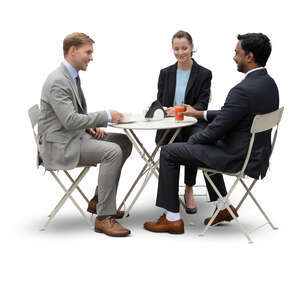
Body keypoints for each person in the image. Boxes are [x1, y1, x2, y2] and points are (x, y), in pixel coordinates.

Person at [144, 33, 279, 234]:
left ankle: (172, 218)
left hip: (234, 156)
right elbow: (232, 114)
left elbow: (216, 131)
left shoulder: (241, 90)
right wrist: (200, 114)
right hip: (256, 154)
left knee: (169, 152)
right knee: (197, 140)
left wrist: (192, 142)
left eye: (237, 52)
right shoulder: (269, 84)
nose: (234, 57)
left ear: (249, 57)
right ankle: (223, 207)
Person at [38, 32, 132, 237]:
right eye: (88, 52)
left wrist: (89, 126)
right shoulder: (58, 81)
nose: (91, 57)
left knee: (123, 142)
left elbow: (70, 116)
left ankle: (99, 201)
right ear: (73, 51)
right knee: (112, 152)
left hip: (72, 136)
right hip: (61, 146)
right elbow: (70, 120)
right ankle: (104, 217)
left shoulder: (70, 76)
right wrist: (105, 116)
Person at [155, 30, 212, 214]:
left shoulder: (204, 74)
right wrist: (163, 109)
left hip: (192, 123)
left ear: (192, 47)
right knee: (171, 145)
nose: (180, 53)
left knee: (193, 142)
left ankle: (189, 189)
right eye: (176, 49)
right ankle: (170, 199)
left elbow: (203, 103)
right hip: (170, 125)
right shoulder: (165, 73)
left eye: (184, 48)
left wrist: (187, 110)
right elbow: (161, 101)